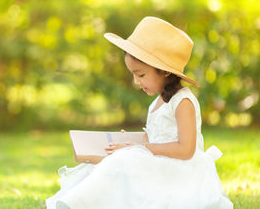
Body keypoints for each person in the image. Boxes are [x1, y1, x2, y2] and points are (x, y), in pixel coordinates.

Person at [45, 17, 233, 209]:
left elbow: (186, 150)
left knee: (125, 160)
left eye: (141, 74)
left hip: (180, 171)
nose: (136, 82)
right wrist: (134, 142)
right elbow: (157, 137)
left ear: (165, 71)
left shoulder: (182, 102)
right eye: (133, 74)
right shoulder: (157, 103)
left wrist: (139, 150)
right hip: (160, 163)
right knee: (112, 161)